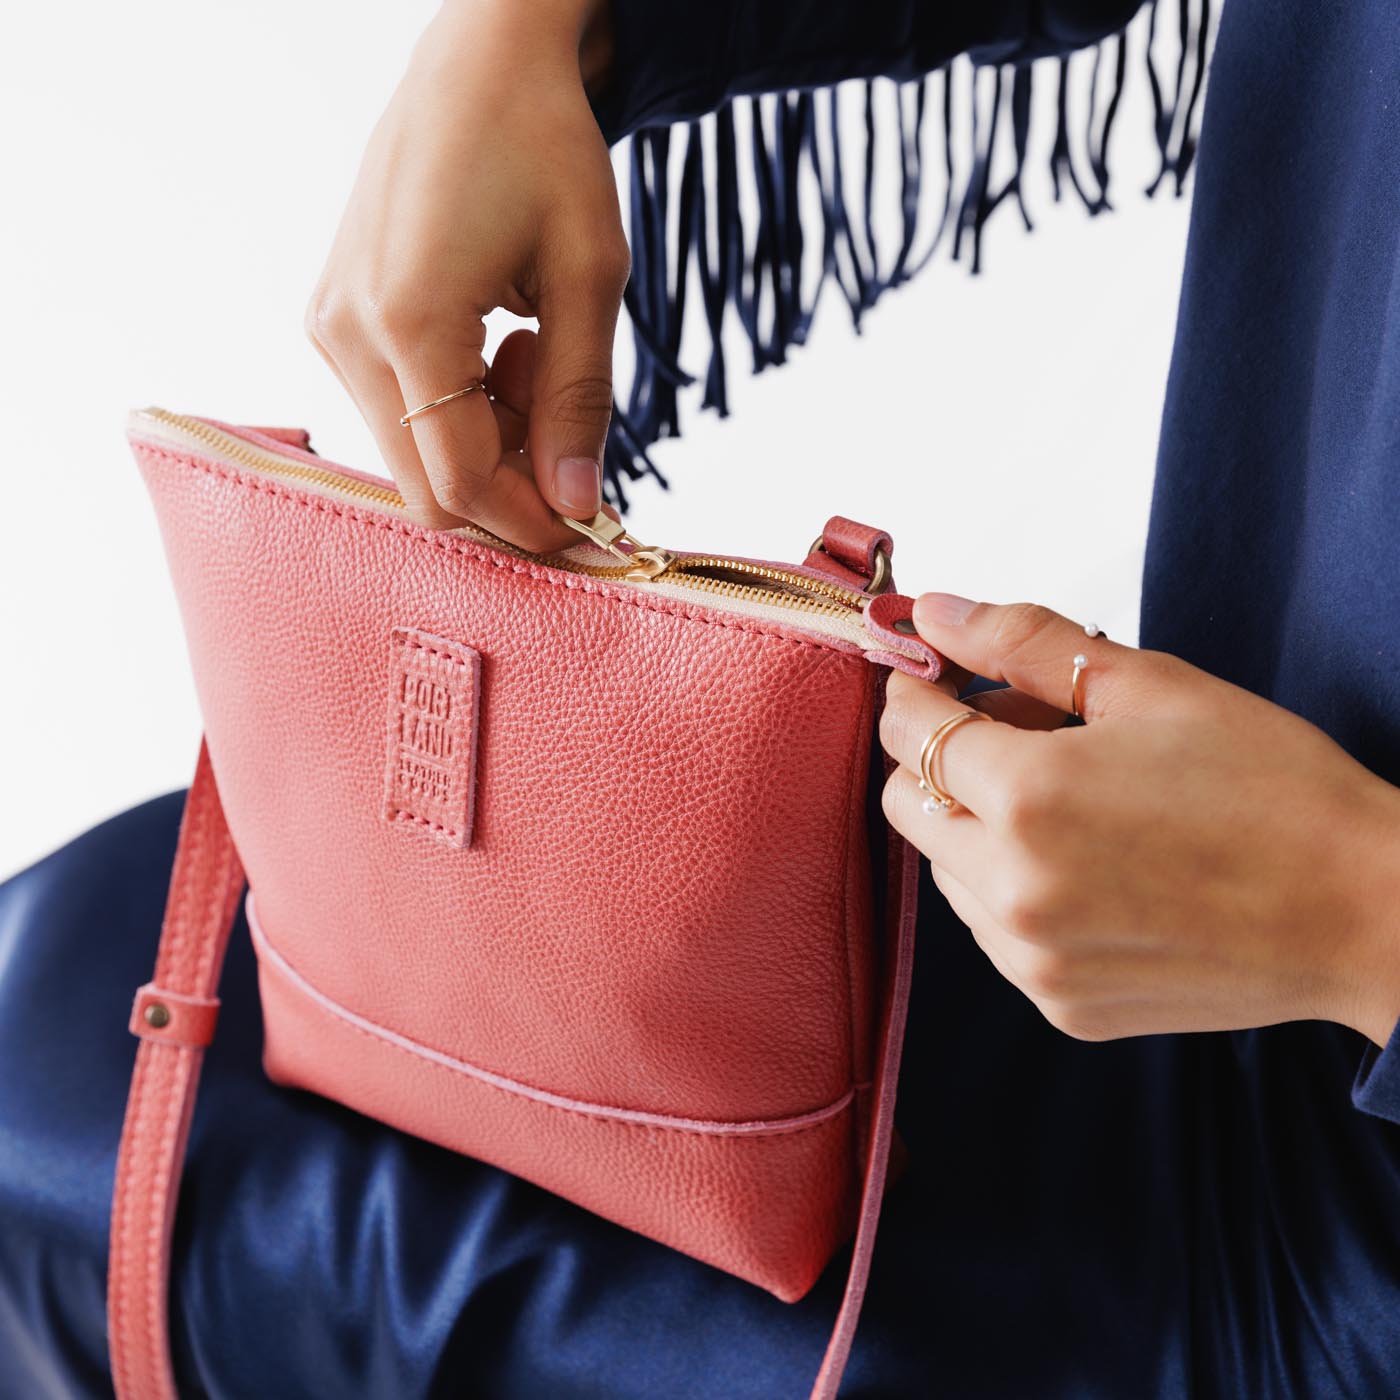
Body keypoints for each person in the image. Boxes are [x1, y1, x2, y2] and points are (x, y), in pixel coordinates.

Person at [2, 0, 1399, 1395]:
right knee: (36, 1013)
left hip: (1338, 1258)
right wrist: (544, 27)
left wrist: (1352, 907)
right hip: (1154, 864)